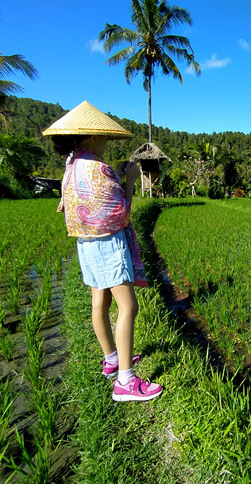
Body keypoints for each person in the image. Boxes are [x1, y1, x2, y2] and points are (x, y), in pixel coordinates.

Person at [43, 100, 162, 402]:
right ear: (94, 136)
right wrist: (131, 182)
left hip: (86, 243)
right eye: (107, 137)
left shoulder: (72, 165)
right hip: (108, 243)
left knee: (100, 301)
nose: (109, 143)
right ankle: (126, 382)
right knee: (128, 306)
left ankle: (111, 359)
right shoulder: (99, 169)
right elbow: (120, 214)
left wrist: (119, 178)